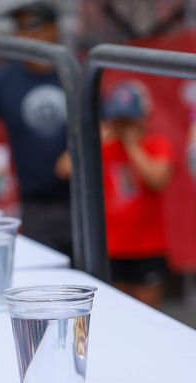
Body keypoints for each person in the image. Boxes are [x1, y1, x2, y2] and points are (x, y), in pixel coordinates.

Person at [0, 1, 72, 257]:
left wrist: (81, 153)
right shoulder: (4, 79)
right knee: (46, 279)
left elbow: (105, 122)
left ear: (54, 29)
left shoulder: (73, 72)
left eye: (34, 26)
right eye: (20, 27)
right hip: (34, 202)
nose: (26, 34)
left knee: (95, 280)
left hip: (84, 199)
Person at [99, 81, 175, 309]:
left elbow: (158, 179)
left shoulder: (156, 144)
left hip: (148, 247)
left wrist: (133, 146)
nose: (125, 125)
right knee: (118, 312)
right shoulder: (105, 146)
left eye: (130, 119)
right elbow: (64, 169)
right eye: (120, 119)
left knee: (149, 312)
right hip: (113, 248)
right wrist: (97, 139)